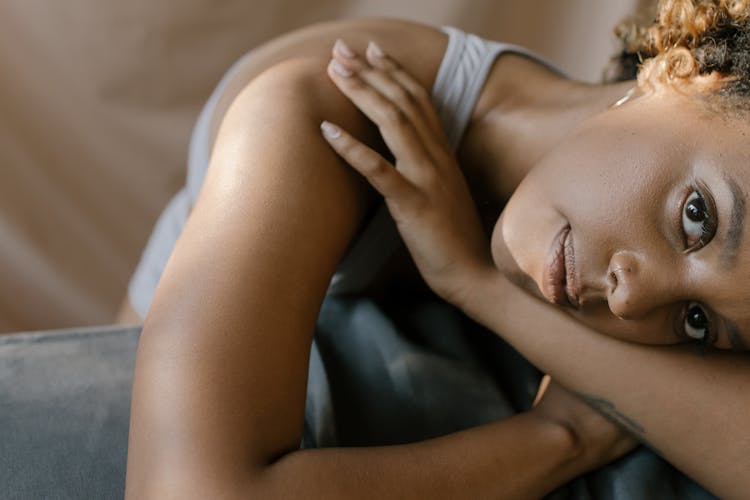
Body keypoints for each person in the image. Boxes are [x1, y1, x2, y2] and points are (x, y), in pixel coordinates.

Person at [123, 2, 749, 498]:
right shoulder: (331, 105)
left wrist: (480, 285)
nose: (631, 299)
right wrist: (559, 437)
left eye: (697, 323)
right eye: (698, 217)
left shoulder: (596, 222)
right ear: (687, 73)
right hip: (129, 375)